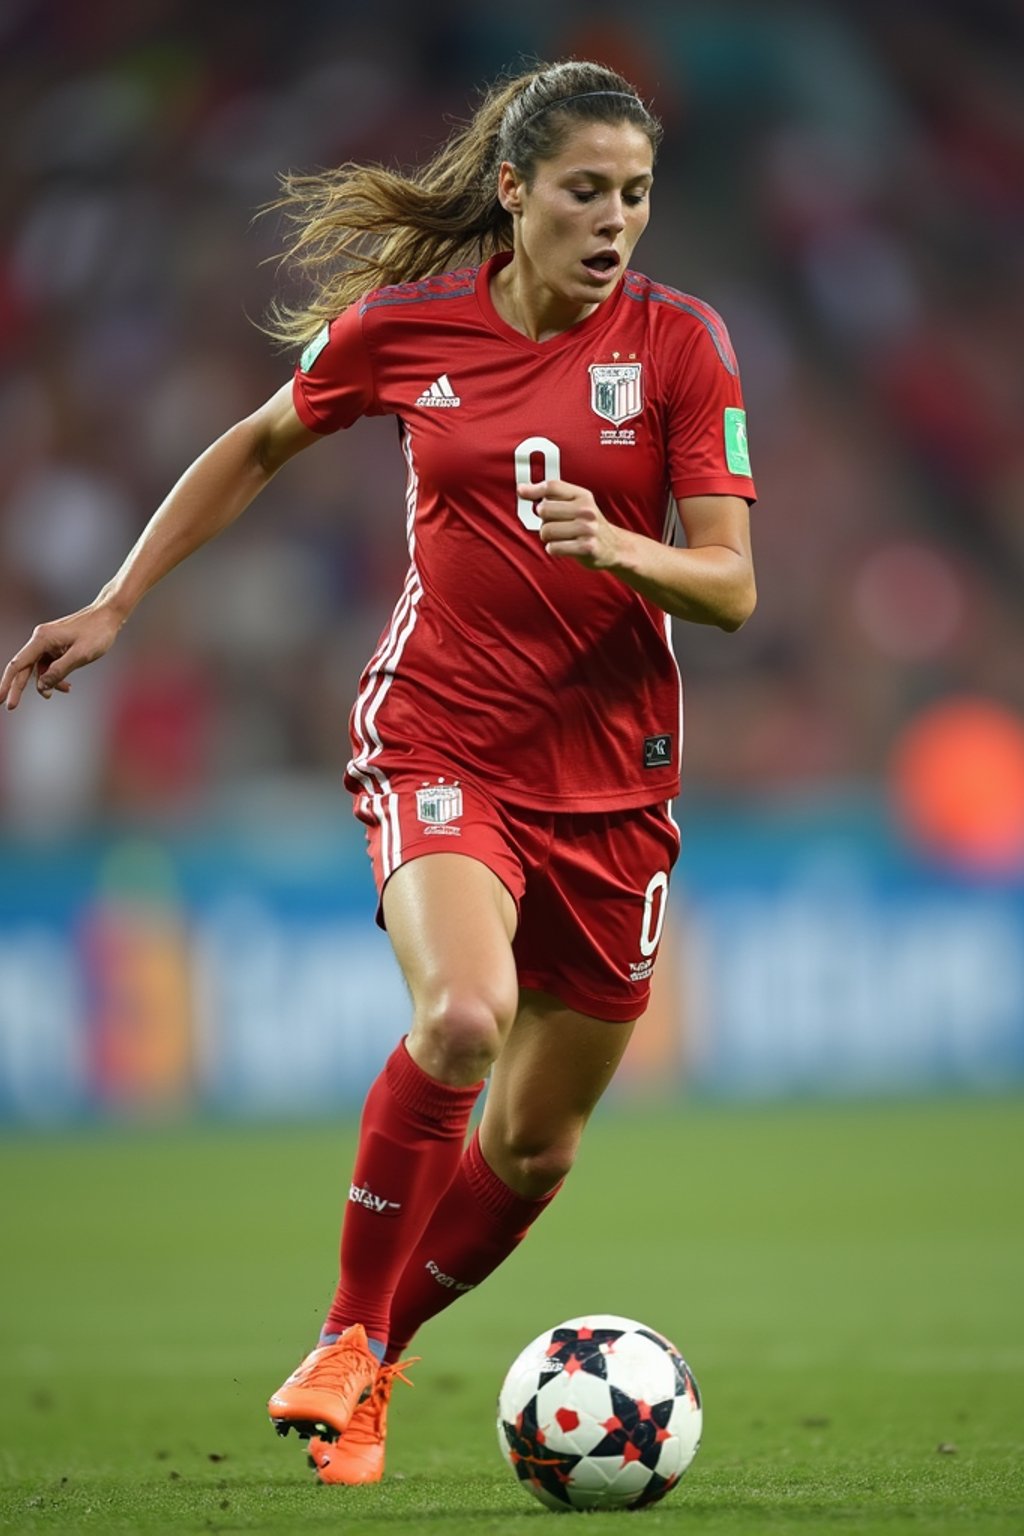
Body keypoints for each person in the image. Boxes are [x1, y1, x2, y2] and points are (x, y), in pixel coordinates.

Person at [0, 58, 757, 1486]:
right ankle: (348, 1335)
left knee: (536, 1147)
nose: (615, 223)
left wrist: (621, 547)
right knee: (463, 1018)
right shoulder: (409, 332)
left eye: (637, 196)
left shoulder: (683, 345)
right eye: (586, 192)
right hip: (439, 734)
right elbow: (262, 439)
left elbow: (731, 588)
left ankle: (376, 1364)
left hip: (617, 784)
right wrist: (118, 598)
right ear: (515, 191)